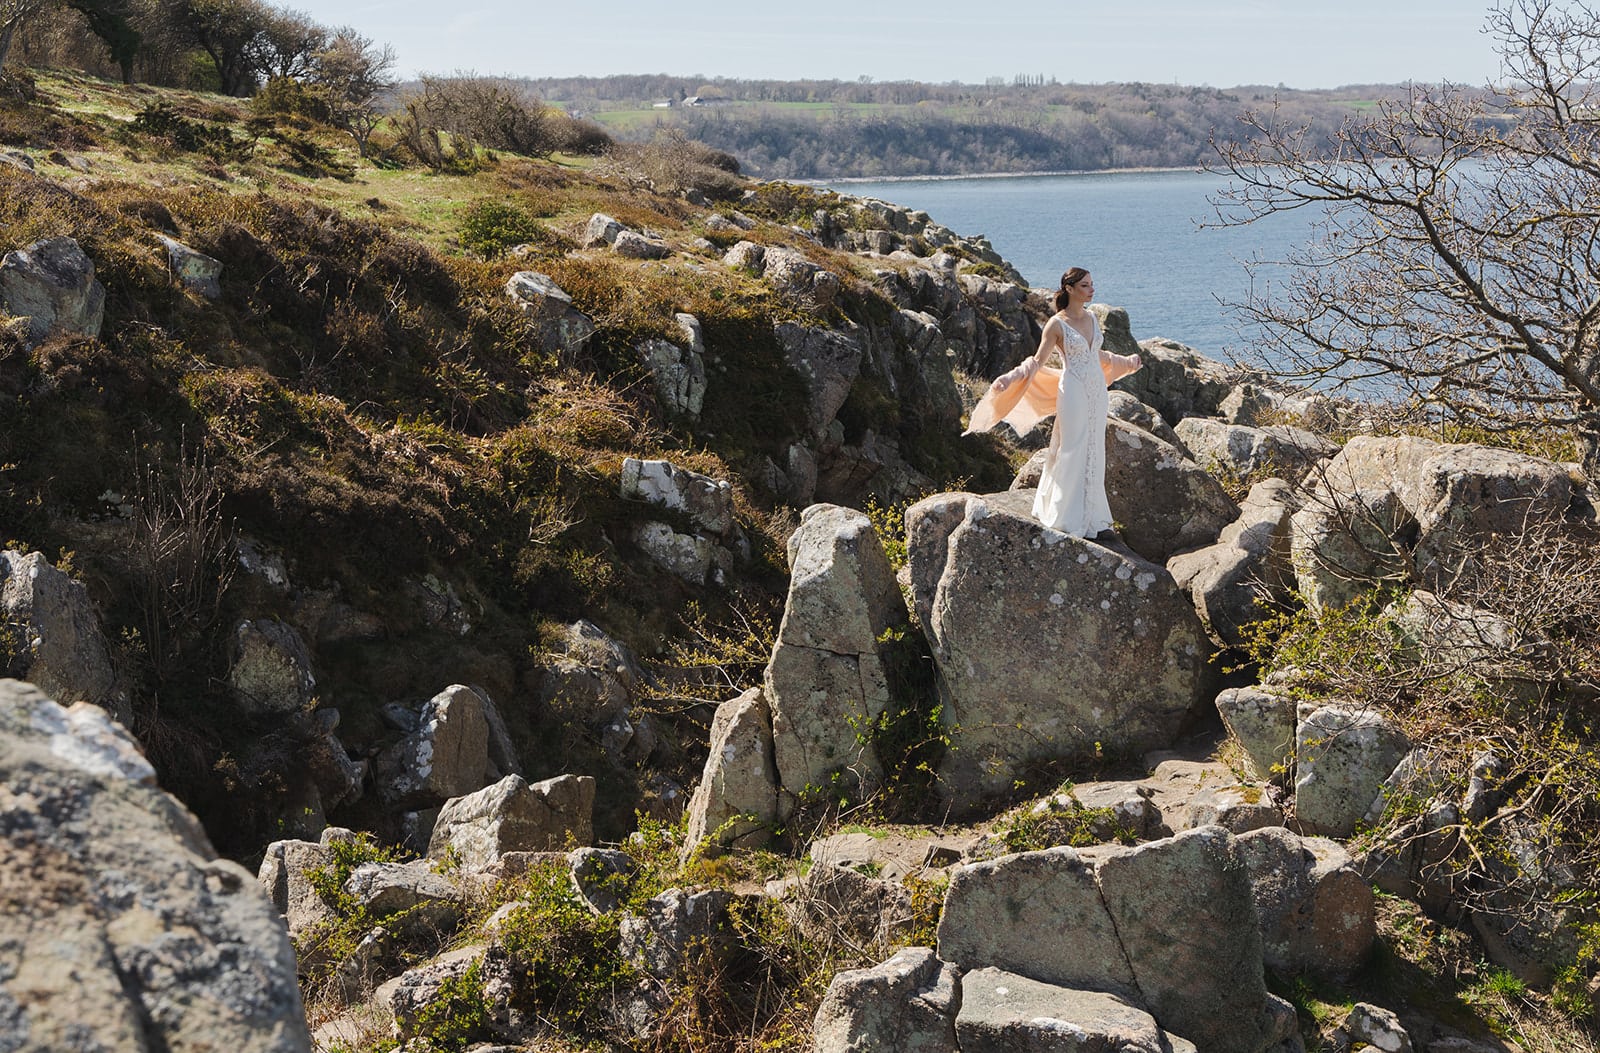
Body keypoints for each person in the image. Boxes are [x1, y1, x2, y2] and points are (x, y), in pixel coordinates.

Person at [965, 268, 1142, 538]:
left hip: (1097, 393)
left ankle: (1095, 521)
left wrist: (1127, 363)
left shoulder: (1093, 318)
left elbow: (1098, 355)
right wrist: (1010, 378)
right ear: (1070, 289)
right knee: (1072, 449)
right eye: (1085, 285)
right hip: (1072, 391)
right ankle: (1067, 517)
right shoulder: (1056, 324)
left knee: (1095, 449)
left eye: (1092, 284)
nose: (1092, 290)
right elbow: (1038, 361)